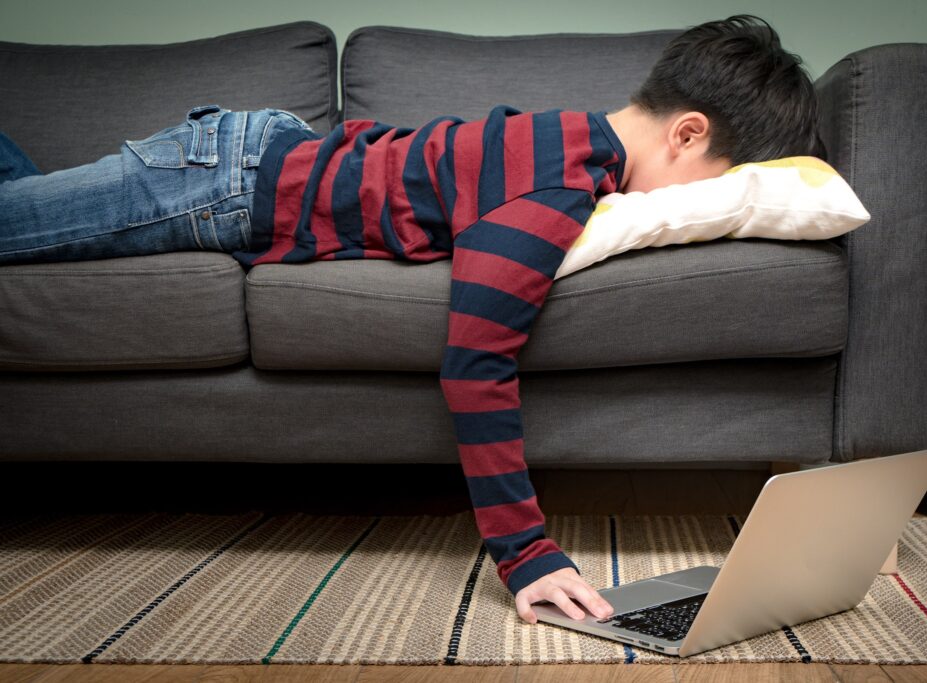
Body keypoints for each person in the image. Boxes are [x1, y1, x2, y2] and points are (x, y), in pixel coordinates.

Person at [0, 14, 823, 625]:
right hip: (216, 182)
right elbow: (475, 362)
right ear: (687, 133)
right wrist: (527, 552)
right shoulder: (554, 185)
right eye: (714, 187)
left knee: (25, 207)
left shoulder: (566, 142)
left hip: (248, 154)